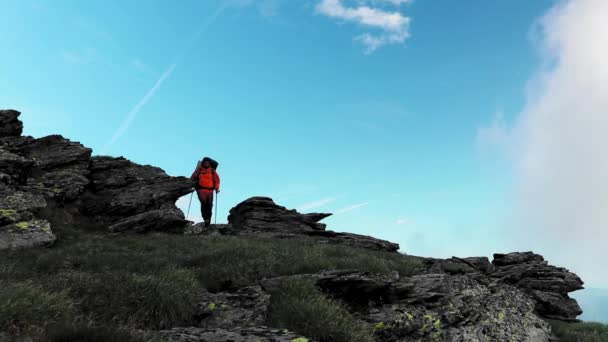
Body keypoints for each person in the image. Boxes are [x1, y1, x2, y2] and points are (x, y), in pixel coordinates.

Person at [190, 158, 220, 227]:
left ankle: (208, 219)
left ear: (210, 164)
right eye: (205, 162)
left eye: (208, 162)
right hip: (201, 190)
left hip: (210, 190)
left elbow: (217, 180)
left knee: (209, 205)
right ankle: (205, 218)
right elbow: (192, 178)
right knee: (203, 203)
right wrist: (191, 185)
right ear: (203, 163)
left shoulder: (212, 171)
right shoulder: (198, 171)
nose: (207, 163)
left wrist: (217, 188)